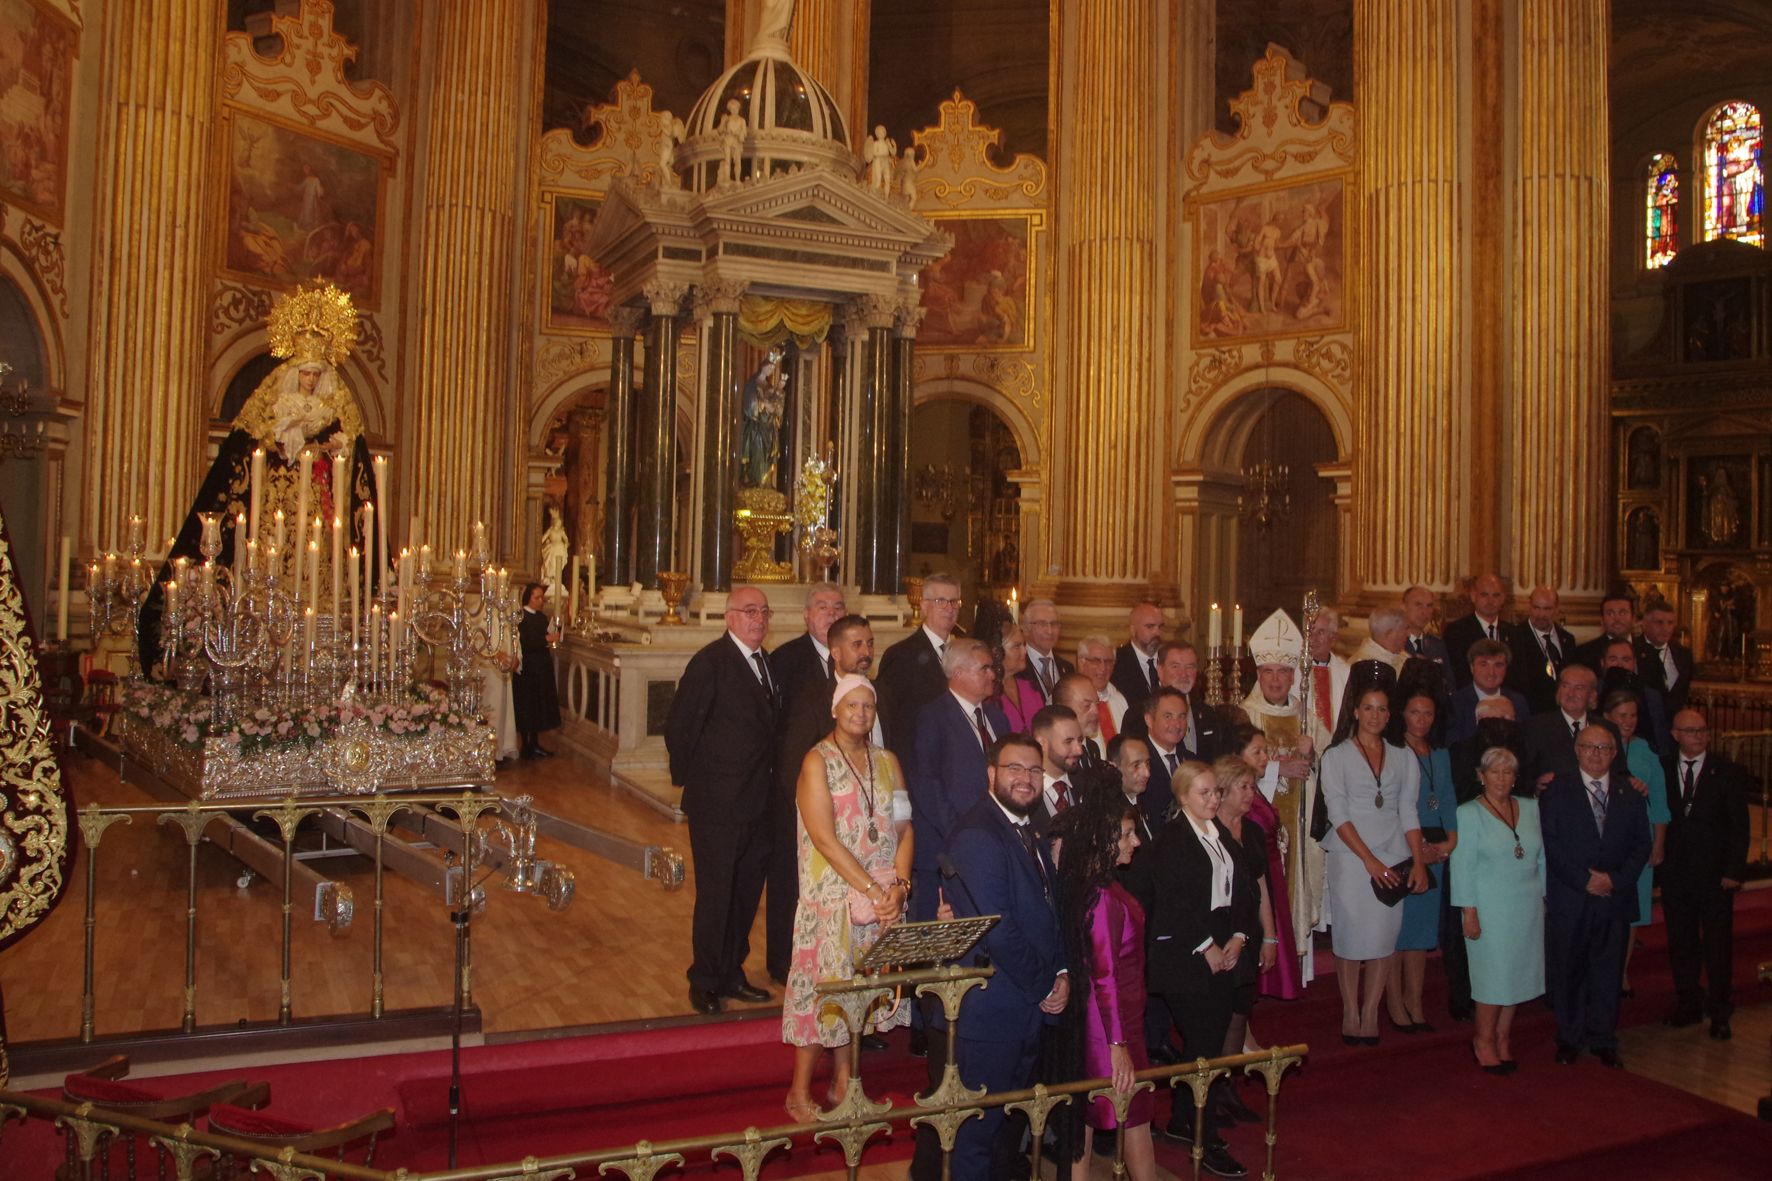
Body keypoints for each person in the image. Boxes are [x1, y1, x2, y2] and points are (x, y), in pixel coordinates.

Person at [920, 733, 1066, 1181]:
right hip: (991, 1011)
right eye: (1014, 769)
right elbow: (998, 928)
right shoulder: (980, 833)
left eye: (1034, 770)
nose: (1026, 779)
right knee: (974, 1139)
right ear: (991, 775)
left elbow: (1047, 909)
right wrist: (1046, 984)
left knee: (1001, 1132)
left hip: (1018, 1006)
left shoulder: (1027, 829)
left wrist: (1061, 970)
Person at [781, 675, 913, 1121]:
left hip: (879, 898)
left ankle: (844, 1083)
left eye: (868, 707)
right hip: (832, 897)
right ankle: (799, 1091)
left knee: (861, 993)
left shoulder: (888, 760)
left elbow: (904, 828)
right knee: (823, 993)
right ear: (835, 709)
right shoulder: (817, 761)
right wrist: (875, 890)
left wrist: (900, 886)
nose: (860, 713)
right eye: (851, 705)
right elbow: (824, 837)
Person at [1124, 759, 1253, 1179]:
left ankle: (1185, 1120)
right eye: (1204, 792)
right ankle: (1202, 1132)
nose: (1214, 798)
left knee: (1209, 1042)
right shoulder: (1171, 841)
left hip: (1221, 945)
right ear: (1182, 797)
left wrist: (1238, 937)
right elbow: (1172, 900)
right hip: (1184, 953)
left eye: (1216, 791)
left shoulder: (1224, 838)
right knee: (1203, 1044)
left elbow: (1244, 891)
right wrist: (1206, 946)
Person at [664, 586, 781, 1015]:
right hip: (719, 805)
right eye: (750, 612)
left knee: (746, 894)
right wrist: (695, 785)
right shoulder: (710, 662)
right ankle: (706, 979)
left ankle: (732, 971)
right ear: (730, 617)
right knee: (716, 895)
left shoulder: (766, 662)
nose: (759, 619)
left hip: (759, 803)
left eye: (764, 612)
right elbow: (679, 728)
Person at [1318, 668, 1430, 1045]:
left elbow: (1409, 811)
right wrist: (1368, 859)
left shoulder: (1403, 757)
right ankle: (1351, 1009)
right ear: (1356, 711)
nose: (1376, 716)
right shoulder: (1337, 756)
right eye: (1369, 708)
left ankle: (1371, 1013)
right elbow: (1338, 812)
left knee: (1384, 939)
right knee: (1351, 937)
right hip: (1352, 857)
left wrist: (1417, 861)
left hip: (1394, 853)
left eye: (1382, 709)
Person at [1051, 793, 1158, 1180]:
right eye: (1128, 834)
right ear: (1103, 838)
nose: (1137, 841)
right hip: (1110, 1025)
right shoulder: (1101, 896)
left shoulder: (1096, 886)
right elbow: (1104, 975)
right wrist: (1117, 1046)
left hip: (1114, 1020)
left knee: (1092, 1117)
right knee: (1129, 1115)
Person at [1541, 725, 1651, 1067]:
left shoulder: (1629, 792)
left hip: (1613, 898)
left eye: (1605, 748)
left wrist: (1614, 881)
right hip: (1572, 896)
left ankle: (1603, 1037)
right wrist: (1584, 880)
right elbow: (1551, 844)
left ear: (1615, 753)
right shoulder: (1556, 791)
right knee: (1569, 968)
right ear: (1577, 749)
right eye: (1589, 747)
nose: (1597, 754)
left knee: (1607, 970)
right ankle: (1570, 1037)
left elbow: (1641, 845)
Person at [1238, 608, 1327, 987]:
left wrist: (1312, 755)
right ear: (1258, 675)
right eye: (1269, 672)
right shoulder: (1245, 715)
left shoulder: (1306, 714)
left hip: (1299, 823)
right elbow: (1238, 771)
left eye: (1284, 672)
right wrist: (1278, 769)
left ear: (1294, 676)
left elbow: (1326, 768)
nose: (1276, 680)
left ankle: (1297, 971)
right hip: (1262, 823)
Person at [767, 586, 852, 984]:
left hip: (842, 797)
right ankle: (784, 961)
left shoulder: (854, 664)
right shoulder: (785, 659)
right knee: (789, 881)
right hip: (793, 790)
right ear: (806, 615)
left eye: (838, 608)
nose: (831, 614)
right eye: (823, 607)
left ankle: (828, 955)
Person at [1451, 746, 1545, 1074]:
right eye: (1494, 772)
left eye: (1508, 772)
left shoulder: (1532, 808)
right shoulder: (1469, 813)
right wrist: (1469, 912)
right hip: (1489, 909)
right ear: (1481, 776)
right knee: (1493, 979)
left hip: (1527, 905)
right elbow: (1461, 867)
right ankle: (1483, 1040)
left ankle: (1504, 1038)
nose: (1501, 779)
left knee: (1517, 976)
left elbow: (1542, 858)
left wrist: (1544, 898)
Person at [1661, 708, 1751, 1040]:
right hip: (1676, 874)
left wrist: (1733, 870)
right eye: (1690, 730)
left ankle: (1720, 1010)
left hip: (1714, 876)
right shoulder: (1662, 768)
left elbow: (1739, 827)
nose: (1698, 736)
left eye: (1702, 731)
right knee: (1681, 942)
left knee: (1717, 945)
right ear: (1675, 734)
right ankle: (1688, 1003)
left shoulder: (1727, 772)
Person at [907, 639, 1010, 926]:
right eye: (985, 668)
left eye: (993, 668)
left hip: (991, 839)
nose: (993, 675)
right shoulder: (933, 716)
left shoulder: (997, 718)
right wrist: (960, 832)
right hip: (945, 847)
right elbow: (926, 783)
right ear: (958, 673)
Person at [1388, 692, 1459, 1033]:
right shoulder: (1394, 753)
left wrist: (1450, 841)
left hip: (1436, 849)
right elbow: (1392, 807)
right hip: (1405, 846)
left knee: (1422, 933)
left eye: (1427, 713)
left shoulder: (1440, 753)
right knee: (1399, 932)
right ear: (1403, 714)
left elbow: (1447, 799)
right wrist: (1417, 850)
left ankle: (1415, 1001)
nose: (1421, 719)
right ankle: (1395, 1002)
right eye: (1415, 712)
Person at [1214, 754, 1278, 1113]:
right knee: (1220, 1012)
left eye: (1253, 787)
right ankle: (1216, 1089)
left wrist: (1269, 935)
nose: (1251, 794)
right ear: (1222, 791)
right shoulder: (1209, 830)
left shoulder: (1252, 830)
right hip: (1222, 933)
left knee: (1241, 1009)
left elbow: (1261, 885)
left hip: (1249, 932)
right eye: (1244, 786)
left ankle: (1229, 1086)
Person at [1600, 687, 1670, 998]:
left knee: (1634, 910)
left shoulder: (1646, 751)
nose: (1628, 721)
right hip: (1604, 843)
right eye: (1621, 715)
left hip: (1639, 843)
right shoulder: (1596, 746)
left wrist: (1658, 843)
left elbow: (1660, 803)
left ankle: (1622, 972)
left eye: (1632, 715)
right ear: (1607, 717)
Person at [1227, 723, 1300, 1002]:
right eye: (1256, 752)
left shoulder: (1256, 790)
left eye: (1265, 752)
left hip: (1270, 867)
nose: (1263, 758)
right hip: (1257, 869)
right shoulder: (1239, 796)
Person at [877, 572, 964, 755]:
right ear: (924, 606)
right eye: (941, 601)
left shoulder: (964, 653)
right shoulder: (901, 655)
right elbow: (890, 719)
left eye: (954, 602)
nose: (950, 608)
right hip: (918, 757)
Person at [1446, 639, 1530, 745]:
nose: (1491, 672)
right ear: (1472, 668)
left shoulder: (1518, 702)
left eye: (1498, 665)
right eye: (1483, 664)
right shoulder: (1455, 704)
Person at [512, 582, 562, 759]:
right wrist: (545, 639)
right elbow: (524, 642)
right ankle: (526, 744)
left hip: (540, 667)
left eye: (542, 597)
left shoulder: (541, 617)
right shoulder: (520, 617)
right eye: (537, 597)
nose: (541, 601)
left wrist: (552, 637)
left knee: (537, 707)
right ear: (528, 598)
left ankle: (534, 743)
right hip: (528, 670)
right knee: (527, 707)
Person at [1507, 586, 1575, 715]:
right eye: (1536, 608)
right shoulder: (1514, 638)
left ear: (1557, 609)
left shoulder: (1568, 639)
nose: (1541, 615)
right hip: (1530, 714)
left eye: (1547, 609)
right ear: (1529, 606)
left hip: (1563, 714)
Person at [1444, 574, 1512, 688]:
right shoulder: (1456, 631)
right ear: (1473, 596)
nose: (1490, 601)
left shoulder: (1513, 633)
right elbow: (1457, 673)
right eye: (1484, 595)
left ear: (1503, 599)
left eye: (1496, 595)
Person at [1637, 599, 1694, 716]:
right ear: (1644, 624)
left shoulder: (1683, 654)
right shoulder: (1632, 651)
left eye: (1670, 623)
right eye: (1659, 622)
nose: (1666, 628)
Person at [1111, 602, 1165, 720]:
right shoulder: (1115, 662)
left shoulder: (1168, 659)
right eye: (1150, 627)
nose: (1157, 633)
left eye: (1160, 627)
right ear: (1133, 630)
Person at [990, 620, 1045, 731]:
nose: (1025, 651)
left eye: (1024, 645)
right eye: (1016, 646)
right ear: (997, 652)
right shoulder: (987, 691)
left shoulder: (1031, 688)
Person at [1077, 633, 1131, 744]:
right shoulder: (1068, 699)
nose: (1103, 668)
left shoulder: (1120, 699)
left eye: (1108, 662)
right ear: (1081, 663)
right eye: (1096, 661)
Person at [1569, 592, 1638, 674]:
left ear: (1634, 618)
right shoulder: (1583, 654)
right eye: (1610, 613)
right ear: (1602, 620)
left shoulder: (1648, 652)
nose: (1617, 619)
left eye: (1622, 613)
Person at [1020, 598, 1071, 703]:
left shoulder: (1068, 668)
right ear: (1026, 628)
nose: (1049, 631)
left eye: (1054, 624)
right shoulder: (1018, 669)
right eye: (1042, 624)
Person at [1054, 672, 1105, 766]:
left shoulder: (1092, 748)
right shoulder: (1055, 756)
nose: (1096, 712)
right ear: (1063, 708)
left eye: (1097, 704)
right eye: (1087, 706)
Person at [1401, 585, 1450, 665]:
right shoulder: (1395, 643)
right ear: (1404, 607)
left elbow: (1447, 676)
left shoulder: (1437, 645)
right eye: (1418, 605)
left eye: (1429, 606)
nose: (1424, 611)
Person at [1352, 606, 1409, 673]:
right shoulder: (1362, 667)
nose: (1408, 634)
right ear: (1389, 634)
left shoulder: (1404, 659)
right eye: (1405, 629)